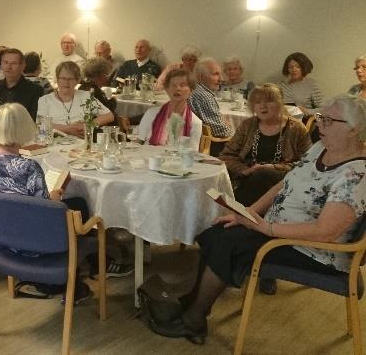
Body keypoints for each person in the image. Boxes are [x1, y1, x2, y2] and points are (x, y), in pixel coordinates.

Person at [146, 95, 366, 344]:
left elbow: (325, 231)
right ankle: (192, 303)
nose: (320, 126)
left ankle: (194, 318)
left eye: (328, 121)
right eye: (320, 118)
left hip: (314, 251)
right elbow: (286, 183)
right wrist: (248, 212)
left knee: (229, 243)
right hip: (278, 230)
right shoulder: (321, 148)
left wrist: (268, 228)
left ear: (353, 128)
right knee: (216, 231)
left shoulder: (356, 175)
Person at [0, 102, 94, 303]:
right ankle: (70, 280)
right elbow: (45, 212)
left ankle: (56, 281)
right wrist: (56, 196)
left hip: (3, 236)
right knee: (79, 204)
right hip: (37, 243)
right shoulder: (28, 166)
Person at [220, 84, 311, 206]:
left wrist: (272, 168)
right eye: (257, 102)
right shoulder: (248, 125)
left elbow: (308, 164)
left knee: (262, 175)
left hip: (281, 180)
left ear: (279, 103)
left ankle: (236, 210)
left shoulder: (297, 128)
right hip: (248, 177)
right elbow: (227, 156)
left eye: (269, 101)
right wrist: (244, 170)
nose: (262, 106)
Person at [38, 61, 113, 138]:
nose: (66, 83)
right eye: (63, 78)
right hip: (54, 144)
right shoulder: (45, 100)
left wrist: (87, 125)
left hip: (81, 145)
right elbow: (41, 125)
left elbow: (109, 116)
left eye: (70, 79)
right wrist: (69, 129)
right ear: (57, 79)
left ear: (77, 80)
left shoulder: (86, 96)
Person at [138, 69, 202, 151]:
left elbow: (192, 154)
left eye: (182, 85)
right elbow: (138, 143)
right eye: (173, 85)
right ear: (167, 89)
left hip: (177, 162)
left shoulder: (195, 123)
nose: (178, 88)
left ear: (191, 90)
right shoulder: (151, 114)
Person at [0, 48, 43, 120]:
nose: (8, 67)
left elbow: (34, 120)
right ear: (1, 64)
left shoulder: (35, 90)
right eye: (6, 62)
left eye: (14, 63)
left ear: (23, 66)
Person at [188, 58, 234, 154]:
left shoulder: (195, 90)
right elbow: (222, 132)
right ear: (201, 77)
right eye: (216, 74)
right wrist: (229, 127)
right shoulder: (203, 95)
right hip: (212, 148)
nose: (221, 79)